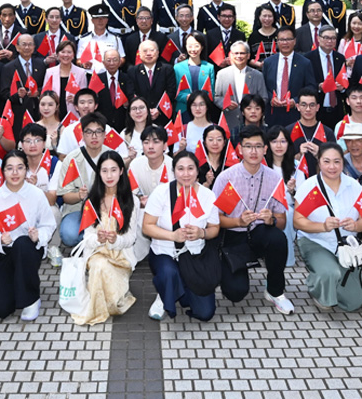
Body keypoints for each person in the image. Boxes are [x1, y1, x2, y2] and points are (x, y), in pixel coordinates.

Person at [212, 127, 293, 314]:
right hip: (232, 234)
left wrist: (271, 220)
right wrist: (238, 222)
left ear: (265, 149)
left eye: (258, 146)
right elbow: (215, 220)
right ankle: (228, 268)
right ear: (240, 149)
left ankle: (275, 291)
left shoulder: (274, 178)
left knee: (278, 239)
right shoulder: (226, 178)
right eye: (248, 146)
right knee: (235, 293)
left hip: (259, 232)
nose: (253, 151)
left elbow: (282, 221)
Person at [141, 148, 221, 321]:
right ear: (174, 171)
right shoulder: (162, 192)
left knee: (205, 313)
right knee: (168, 273)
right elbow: (147, 227)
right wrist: (173, 236)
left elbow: (215, 228)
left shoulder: (208, 195)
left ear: (197, 170)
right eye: (181, 169)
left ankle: (177, 289)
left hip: (194, 255)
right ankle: (164, 295)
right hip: (164, 252)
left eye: (190, 168)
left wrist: (202, 233)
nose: (186, 174)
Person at [293, 142, 362, 312]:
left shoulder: (354, 186)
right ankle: (316, 285)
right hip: (316, 242)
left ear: (343, 162)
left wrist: (356, 225)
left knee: (353, 303)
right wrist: (322, 226)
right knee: (330, 274)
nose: (332, 167)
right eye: (326, 161)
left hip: (346, 246)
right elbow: (297, 221)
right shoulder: (310, 187)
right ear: (319, 162)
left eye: (337, 161)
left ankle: (332, 280)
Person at [0, 150, 57, 320]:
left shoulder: (36, 194)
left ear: (26, 170)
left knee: (22, 243)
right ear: (3, 171)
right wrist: (0, 240)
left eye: (20, 167)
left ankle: (31, 299)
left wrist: (38, 235)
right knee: (0, 309)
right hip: (3, 251)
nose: (15, 173)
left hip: (27, 249)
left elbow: (49, 224)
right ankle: (15, 286)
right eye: (9, 168)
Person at [72, 150, 141, 325]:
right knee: (99, 265)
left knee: (115, 305)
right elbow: (87, 237)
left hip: (121, 258)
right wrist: (98, 239)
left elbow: (131, 238)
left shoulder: (132, 200)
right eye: (104, 171)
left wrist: (116, 240)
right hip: (97, 253)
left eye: (113, 170)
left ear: (121, 171)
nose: (109, 176)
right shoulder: (91, 201)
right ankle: (94, 310)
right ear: (99, 173)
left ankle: (115, 292)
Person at [56, 113, 109, 247]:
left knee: (111, 232)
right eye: (89, 132)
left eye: (98, 132)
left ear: (105, 134)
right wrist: (79, 195)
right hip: (77, 208)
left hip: (105, 208)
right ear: (82, 135)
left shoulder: (112, 157)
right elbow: (65, 196)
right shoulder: (71, 159)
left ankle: (95, 243)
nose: (94, 136)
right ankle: (89, 243)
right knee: (69, 235)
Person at [262, 26, 316, 127]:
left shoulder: (305, 63)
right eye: (282, 40)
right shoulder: (268, 62)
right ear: (277, 42)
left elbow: (311, 87)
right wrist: (271, 98)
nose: (285, 43)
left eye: (288, 39)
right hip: (273, 113)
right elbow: (263, 86)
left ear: (294, 41)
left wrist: (296, 101)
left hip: (295, 114)